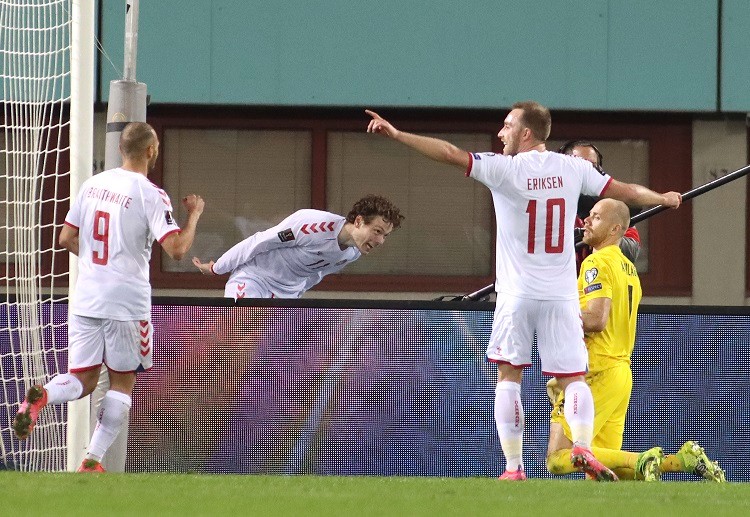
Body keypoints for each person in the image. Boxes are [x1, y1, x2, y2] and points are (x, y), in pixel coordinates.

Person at [366, 101, 682, 481]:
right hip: (561, 295)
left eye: (506, 126)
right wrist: (662, 198)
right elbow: (626, 190)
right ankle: (582, 447)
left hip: (517, 294)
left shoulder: (504, 169)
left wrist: (399, 135)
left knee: (508, 376)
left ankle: (514, 468)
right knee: (573, 379)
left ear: (526, 132)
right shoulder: (574, 168)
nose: (501, 134)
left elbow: (449, 153)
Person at [12, 122, 205, 472]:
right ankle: (91, 460)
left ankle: (44, 396)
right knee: (122, 383)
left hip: (86, 297)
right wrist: (193, 217)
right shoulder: (150, 193)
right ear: (150, 151)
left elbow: (65, 236)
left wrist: (94, 261)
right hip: (126, 304)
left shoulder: (92, 185)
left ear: (120, 150)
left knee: (82, 379)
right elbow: (176, 249)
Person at [545, 198, 725, 482]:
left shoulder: (596, 261)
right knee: (606, 471)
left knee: (558, 458)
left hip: (595, 371)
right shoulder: (630, 271)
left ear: (616, 229)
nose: (586, 222)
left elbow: (595, 319)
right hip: (620, 372)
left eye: (596, 217)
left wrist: (553, 313)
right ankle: (681, 461)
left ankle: (642, 459)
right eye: (588, 216)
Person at [192, 194, 404, 299]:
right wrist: (217, 268)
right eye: (377, 232)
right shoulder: (312, 225)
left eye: (385, 236)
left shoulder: (352, 252)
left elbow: (317, 273)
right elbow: (259, 241)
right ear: (358, 221)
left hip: (287, 296)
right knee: (238, 335)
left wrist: (296, 294)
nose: (380, 242)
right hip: (254, 280)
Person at [558, 140, 642, 270]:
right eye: (579, 165)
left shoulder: (612, 204)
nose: (586, 171)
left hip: (599, 284)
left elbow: (630, 253)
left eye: (592, 166)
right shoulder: (546, 201)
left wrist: (602, 229)